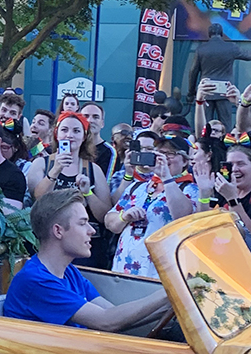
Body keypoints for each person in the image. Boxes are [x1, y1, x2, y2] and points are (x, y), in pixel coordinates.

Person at [3, 189, 169, 331]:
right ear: (58, 231)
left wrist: (171, 305)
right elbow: (106, 321)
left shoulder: (69, 272)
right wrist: (169, 291)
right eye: (83, 224)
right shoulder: (35, 281)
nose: (91, 231)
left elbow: (115, 315)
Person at [105, 136, 198, 278]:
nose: (163, 158)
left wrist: (166, 177)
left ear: (185, 161)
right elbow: (109, 221)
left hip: (161, 272)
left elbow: (182, 216)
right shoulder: (138, 186)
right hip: (124, 268)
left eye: (170, 154)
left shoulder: (191, 190)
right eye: (159, 153)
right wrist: (124, 217)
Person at [28, 112, 112, 267]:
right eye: (64, 130)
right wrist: (55, 171)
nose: (69, 135)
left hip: (82, 247)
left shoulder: (93, 169)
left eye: (76, 131)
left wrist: (88, 193)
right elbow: (37, 199)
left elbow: (104, 215)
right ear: (56, 134)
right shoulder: (41, 164)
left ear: (84, 136)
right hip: (47, 242)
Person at [188, 23, 251, 130]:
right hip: (225, 91)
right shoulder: (231, 47)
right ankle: (226, 140)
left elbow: (193, 72)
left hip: (207, 90)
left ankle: (205, 140)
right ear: (221, 33)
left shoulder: (201, 49)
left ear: (209, 34)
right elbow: (248, 55)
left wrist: (191, 92)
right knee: (226, 125)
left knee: (205, 125)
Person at [80, 103, 116, 183]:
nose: (90, 120)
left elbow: (105, 184)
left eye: (95, 117)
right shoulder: (74, 147)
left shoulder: (109, 151)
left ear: (102, 123)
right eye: (86, 116)